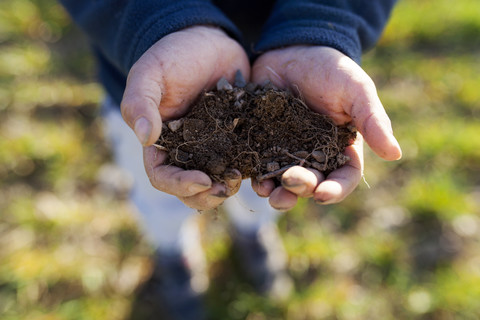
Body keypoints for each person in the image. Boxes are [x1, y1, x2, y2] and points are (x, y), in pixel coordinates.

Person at [59, 1, 402, 319]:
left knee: (267, 187)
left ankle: (252, 233)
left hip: (296, 47)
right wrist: (160, 22)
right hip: (155, 82)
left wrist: (320, 23)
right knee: (159, 188)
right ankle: (171, 252)